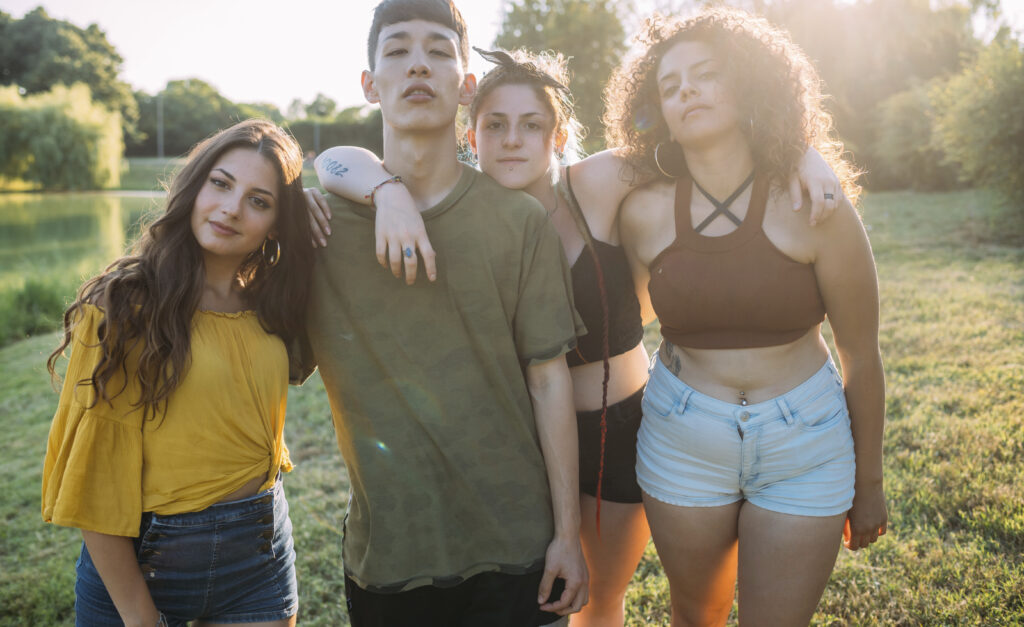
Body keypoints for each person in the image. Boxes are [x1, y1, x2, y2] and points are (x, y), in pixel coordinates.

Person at [307, 45, 842, 625]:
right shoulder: (454, 209)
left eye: (531, 125)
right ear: (472, 136)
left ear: (558, 137)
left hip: (622, 427)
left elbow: (705, 142)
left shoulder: (599, 183)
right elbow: (336, 159)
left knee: (600, 598)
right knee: (544, 602)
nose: (513, 140)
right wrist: (374, 188)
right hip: (519, 440)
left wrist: (800, 155)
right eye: (495, 126)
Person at [295, 0, 588, 626]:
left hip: (517, 548)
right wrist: (376, 194)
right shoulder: (318, 228)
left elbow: (548, 381)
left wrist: (567, 534)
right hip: (391, 554)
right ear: (371, 85)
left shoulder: (519, 221)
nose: (418, 66)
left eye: (438, 52)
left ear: (467, 85)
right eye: (397, 53)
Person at [606, 8, 888, 626]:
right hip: (683, 438)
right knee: (695, 615)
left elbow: (861, 354)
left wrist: (870, 485)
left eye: (706, 74)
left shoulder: (815, 202)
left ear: (748, 86)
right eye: (670, 85)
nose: (686, 91)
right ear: (658, 114)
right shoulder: (642, 213)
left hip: (805, 443)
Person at [42, 119, 314, 627]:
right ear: (196, 185)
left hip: (260, 551)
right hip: (148, 560)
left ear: (277, 222)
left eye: (260, 200)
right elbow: (95, 479)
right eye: (221, 183)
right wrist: (141, 618)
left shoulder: (273, 303)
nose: (232, 208)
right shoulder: (123, 305)